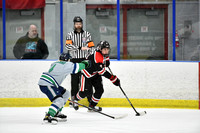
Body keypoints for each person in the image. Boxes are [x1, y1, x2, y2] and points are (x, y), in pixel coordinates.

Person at [38, 53, 90, 124]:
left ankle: (57, 112)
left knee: (66, 94)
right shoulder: (65, 64)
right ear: (67, 60)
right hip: (47, 84)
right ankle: (49, 115)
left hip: (50, 83)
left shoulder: (56, 63)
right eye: (69, 59)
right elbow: (77, 68)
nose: (70, 61)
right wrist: (85, 63)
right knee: (59, 100)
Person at [73, 41, 120, 111]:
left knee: (100, 90)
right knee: (85, 92)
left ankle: (92, 106)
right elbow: (101, 71)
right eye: (105, 49)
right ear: (100, 49)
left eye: (107, 49)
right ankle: (75, 99)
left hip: (95, 74)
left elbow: (106, 63)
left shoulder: (103, 54)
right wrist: (112, 78)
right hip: (87, 75)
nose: (106, 51)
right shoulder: (97, 56)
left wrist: (106, 63)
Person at [65, 16, 95, 110]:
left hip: (84, 60)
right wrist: (79, 48)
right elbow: (68, 47)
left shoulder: (87, 34)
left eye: (80, 23)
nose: (78, 25)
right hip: (74, 60)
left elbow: (91, 47)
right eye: (77, 24)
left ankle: (91, 101)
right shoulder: (70, 35)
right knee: (75, 81)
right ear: (74, 24)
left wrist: (89, 55)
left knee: (88, 80)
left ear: (82, 24)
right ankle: (74, 100)